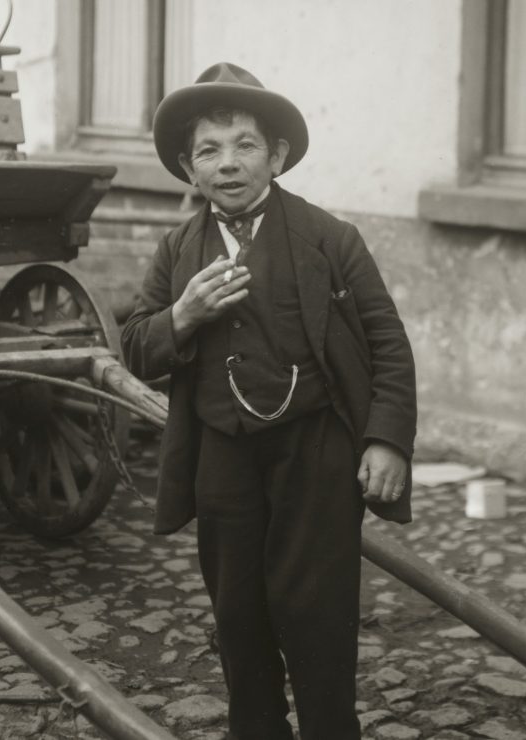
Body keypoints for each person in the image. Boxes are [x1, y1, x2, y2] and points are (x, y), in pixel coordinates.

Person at [121, 62, 417, 740]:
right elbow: (135, 347)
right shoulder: (177, 250)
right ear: (189, 168)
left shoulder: (330, 239)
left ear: (276, 156)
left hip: (315, 449)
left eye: (244, 145)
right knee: (238, 613)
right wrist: (182, 316)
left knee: (318, 613)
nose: (227, 163)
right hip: (222, 454)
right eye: (208, 150)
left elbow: (387, 344)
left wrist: (386, 439)